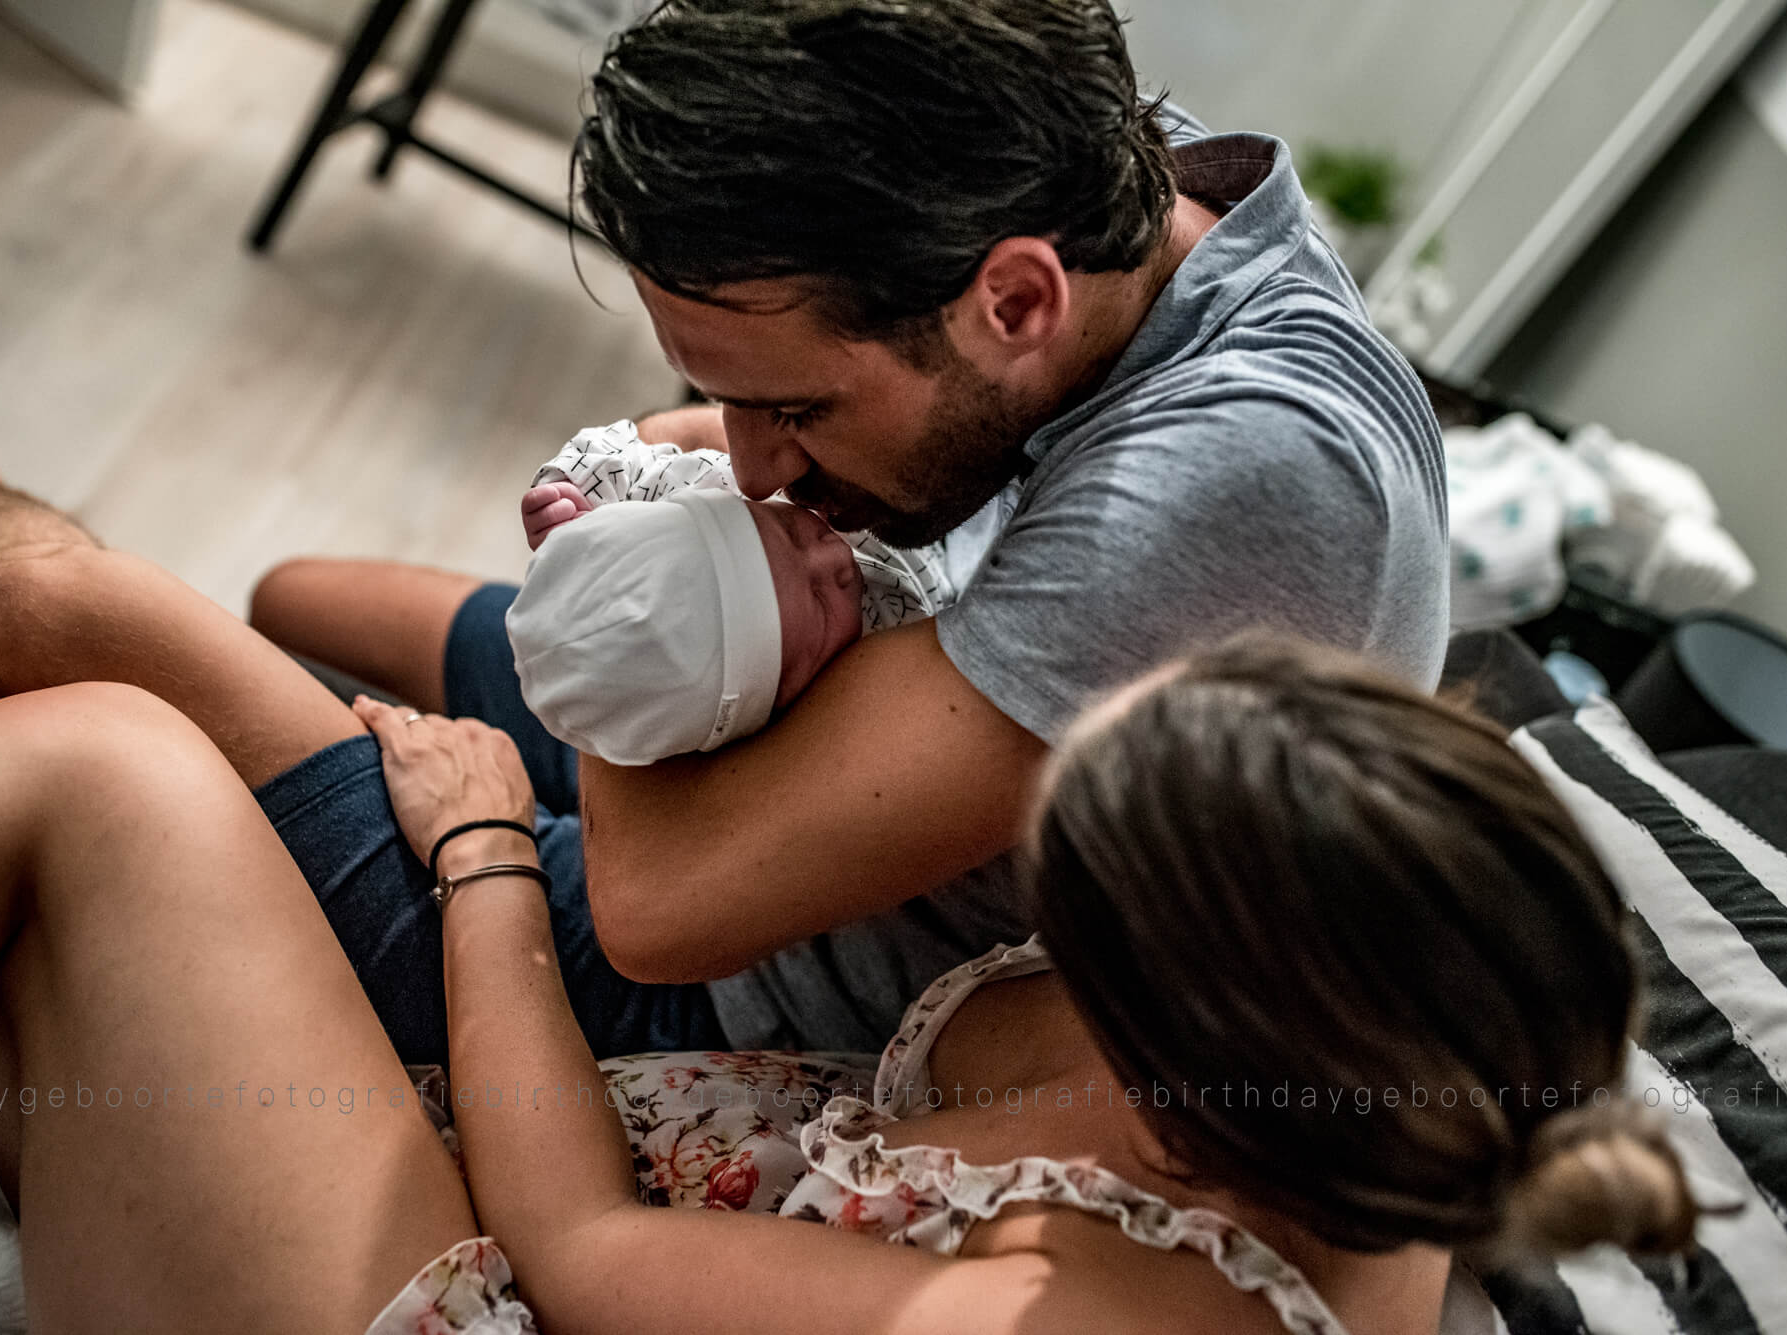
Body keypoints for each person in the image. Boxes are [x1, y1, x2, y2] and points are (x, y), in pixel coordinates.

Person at [0, 633, 1699, 1333]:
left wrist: (486, 851)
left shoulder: (1082, 1318)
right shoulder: (1416, 1048)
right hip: (519, 1164)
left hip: (513, 1272)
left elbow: (585, 1253)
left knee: (99, 762)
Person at [251, 0, 1452, 1056]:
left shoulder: (1238, 477)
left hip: (766, 989)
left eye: (795, 410)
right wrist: (651, 537)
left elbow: (657, 915)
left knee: (149, 688)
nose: (754, 464)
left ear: (1016, 303)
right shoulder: (1093, 182)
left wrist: (603, 641)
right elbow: (685, 437)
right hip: (762, 727)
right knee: (294, 600)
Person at [507, 418, 942, 764]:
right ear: (774, 704)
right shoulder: (850, 701)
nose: (834, 558)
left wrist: (567, 492)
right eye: (818, 600)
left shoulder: (705, 490)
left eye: (788, 531)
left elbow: (607, 452)